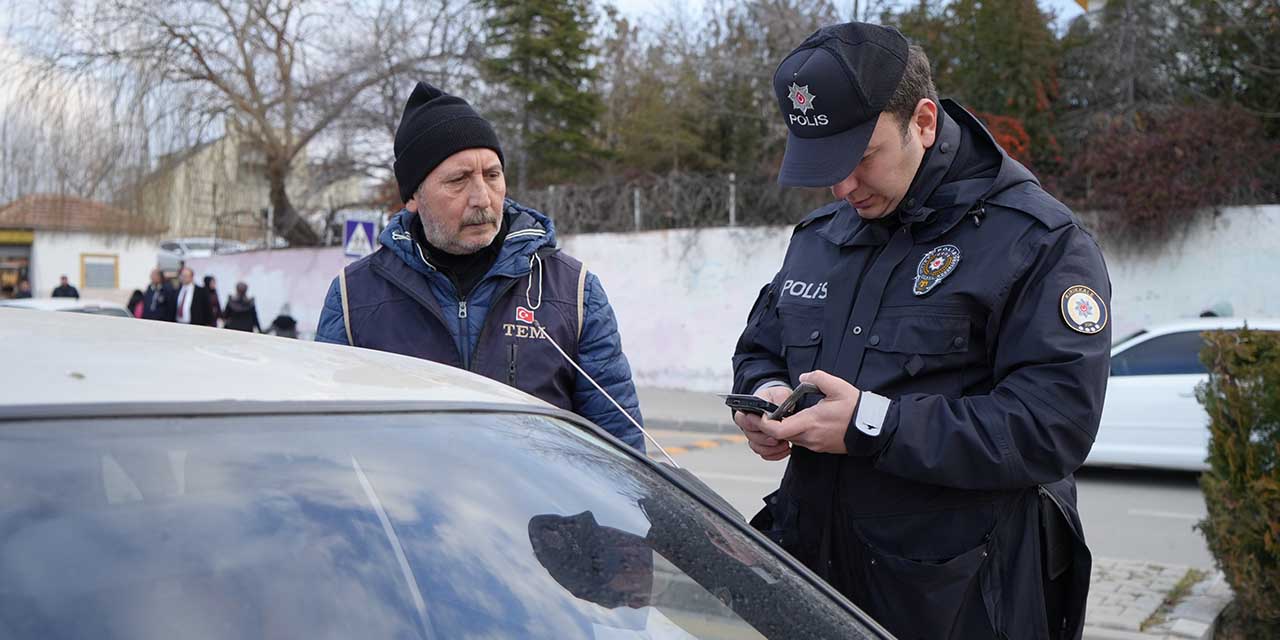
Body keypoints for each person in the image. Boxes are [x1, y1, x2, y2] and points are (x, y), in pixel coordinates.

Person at [730, 23, 1111, 640]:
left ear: (924, 122)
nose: (842, 186)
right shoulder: (820, 237)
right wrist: (765, 396)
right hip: (816, 580)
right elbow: (760, 348)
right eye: (824, 164)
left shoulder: (1037, 242)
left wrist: (873, 425)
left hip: (958, 600)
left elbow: (1053, 425)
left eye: (858, 158)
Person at [316, 81, 644, 451]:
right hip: (407, 508)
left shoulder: (574, 291)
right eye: (458, 180)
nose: (482, 198)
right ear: (412, 197)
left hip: (537, 509)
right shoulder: (353, 296)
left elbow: (621, 445)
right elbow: (329, 444)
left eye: (492, 175)